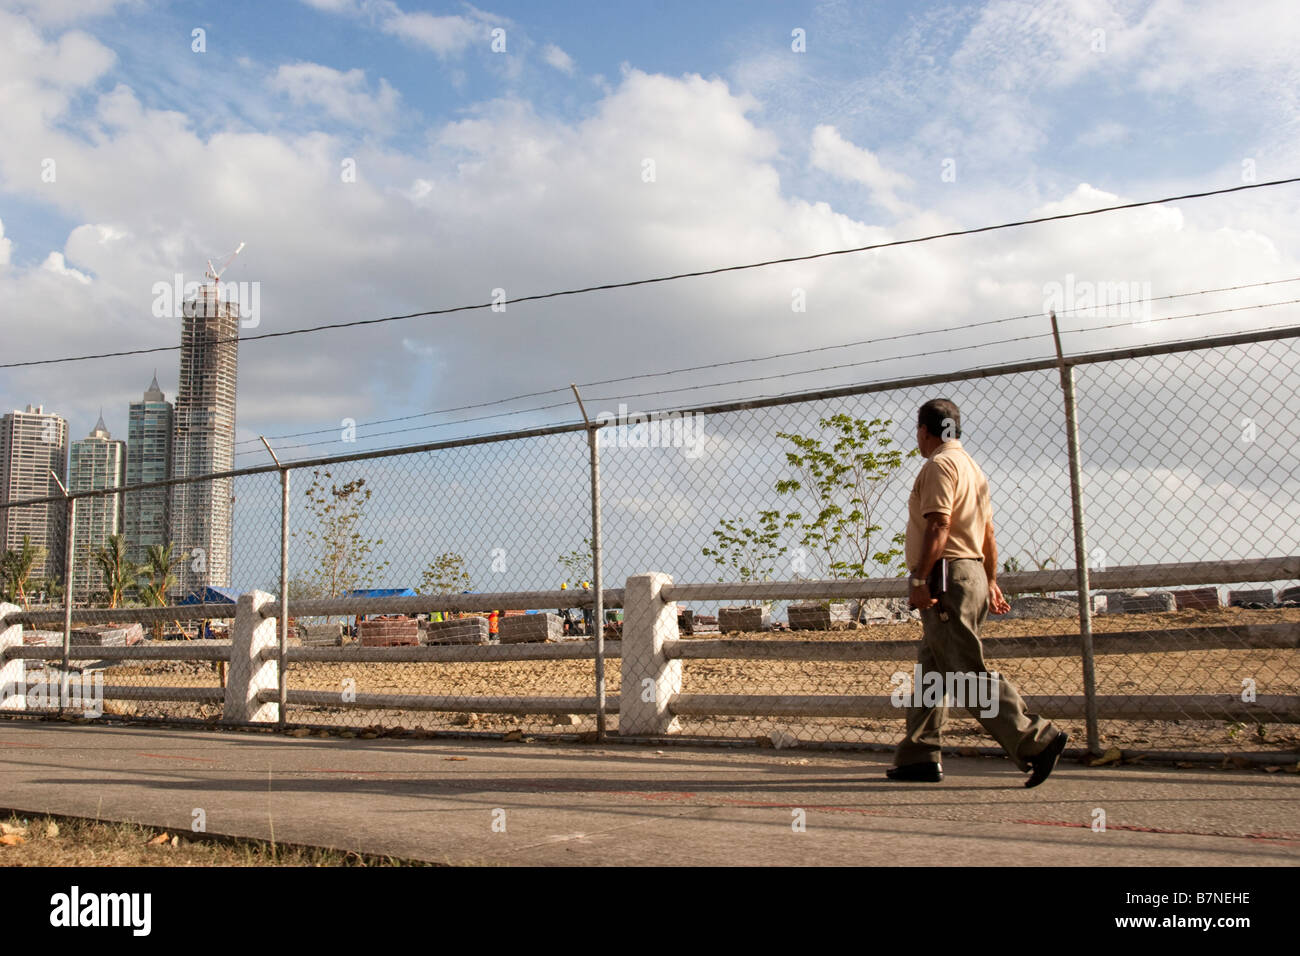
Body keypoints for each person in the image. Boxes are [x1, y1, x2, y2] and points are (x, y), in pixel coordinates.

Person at [888, 398, 1068, 787]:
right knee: (931, 671)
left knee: (964, 672)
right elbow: (987, 534)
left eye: (917, 432)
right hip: (970, 572)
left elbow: (938, 525)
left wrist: (920, 580)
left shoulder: (939, 466)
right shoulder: (972, 468)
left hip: (945, 576)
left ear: (924, 431)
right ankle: (919, 755)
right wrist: (991, 579)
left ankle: (1036, 739)